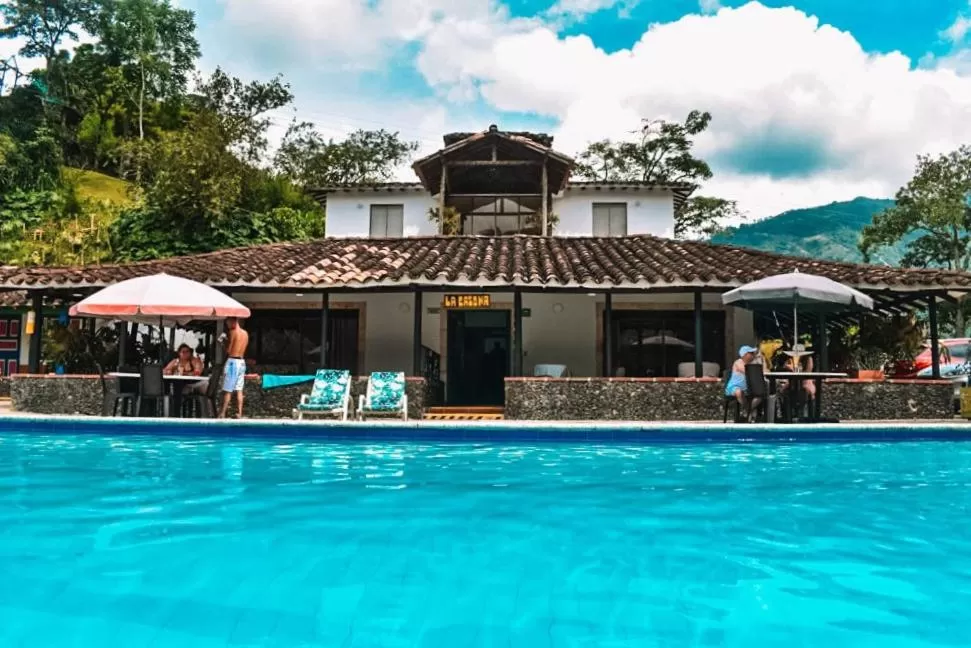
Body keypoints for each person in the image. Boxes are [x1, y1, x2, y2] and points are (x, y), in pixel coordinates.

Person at [219, 317, 250, 419]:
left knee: (228, 389)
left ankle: (223, 413)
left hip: (233, 362)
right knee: (239, 389)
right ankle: (239, 413)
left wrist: (222, 343)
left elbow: (229, 350)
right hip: (242, 362)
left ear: (233, 321)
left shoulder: (233, 332)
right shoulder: (245, 333)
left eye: (228, 323)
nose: (227, 325)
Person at [725, 345, 761, 422]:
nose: (753, 355)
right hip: (734, 387)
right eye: (751, 353)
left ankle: (747, 411)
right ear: (745, 355)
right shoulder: (738, 362)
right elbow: (747, 371)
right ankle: (748, 411)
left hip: (747, 389)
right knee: (739, 392)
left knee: (760, 395)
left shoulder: (753, 363)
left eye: (753, 353)